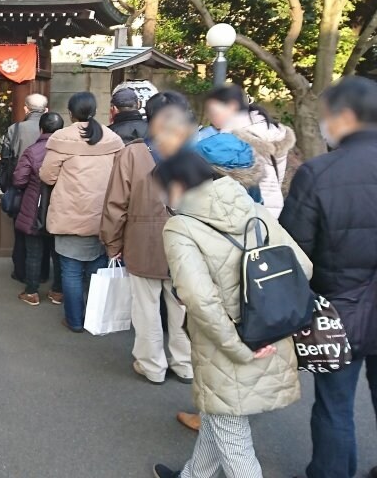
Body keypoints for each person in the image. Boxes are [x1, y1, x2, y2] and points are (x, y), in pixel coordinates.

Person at [152, 151, 311, 478]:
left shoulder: (181, 226)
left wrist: (239, 348)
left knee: (234, 439)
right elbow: (303, 268)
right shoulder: (255, 209)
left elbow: (200, 300)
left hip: (226, 344)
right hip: (271, 331)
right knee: (220, 415)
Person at [279, 76, 377, 478]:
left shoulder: (319, 173)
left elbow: (293, 250)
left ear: (345, 117)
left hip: (340, 313)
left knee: (335, 406)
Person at [100, 99, 192, 385]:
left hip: (143, 240)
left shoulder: (133, 154)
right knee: (184, 305)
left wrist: (112, 243)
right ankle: (186, 363)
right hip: (188, 242)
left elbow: (116, 204)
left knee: (146, 307)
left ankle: (152, 365)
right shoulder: (196, 153)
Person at [40, 92, 123, 332]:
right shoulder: (111, 138)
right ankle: (96, 319)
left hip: (69, 213)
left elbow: (47, 175)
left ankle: (75, 320)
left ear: (70, 112)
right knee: (97, 270)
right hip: (103, 216)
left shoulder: (62, 137)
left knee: (71, 271)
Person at [204, 85, 295, 217]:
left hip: (250, 212)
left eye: (213, 112)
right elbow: (277, 177)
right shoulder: (270, 131)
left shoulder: (235, 141)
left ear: (232, 106)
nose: (210, 117)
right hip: (273, 207)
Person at [13, 112, 64, 306]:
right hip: (61, 207)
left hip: (34, 206)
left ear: (41, 129)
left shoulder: (33, 151)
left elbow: (19, 179)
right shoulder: (69, 152)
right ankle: (57, 291)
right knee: (58, 252)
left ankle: (32, 292)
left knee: (33, 252)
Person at [0, 93, 49, 284]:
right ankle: (44, 273)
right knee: (46, 233)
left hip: (22, 188)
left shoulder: (15, 128)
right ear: (46, 110)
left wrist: (7, 185)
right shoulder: (57, 131)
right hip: (48, 190)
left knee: (21, 231)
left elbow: (5, 157)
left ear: (26, 109)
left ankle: (21, 272)